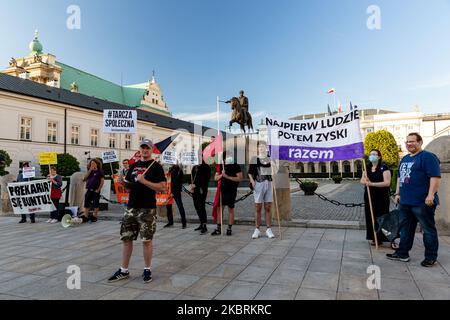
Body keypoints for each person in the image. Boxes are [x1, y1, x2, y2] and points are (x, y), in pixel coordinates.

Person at [108, 139, 166, 283]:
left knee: (146, 240)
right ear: (139, 149)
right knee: (126, 239)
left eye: (147, 148)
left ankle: (147, 270)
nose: (145, 150)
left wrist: (145, 181)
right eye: (143, 147)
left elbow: (163, 187)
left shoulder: (156, 167)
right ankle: (124, 270)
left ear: (151, 150)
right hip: (131, 207)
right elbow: (129, 187)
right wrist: (123, 182)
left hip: (147, 209)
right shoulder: (133, 166)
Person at [387, 133, 441, 267]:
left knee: (428, 230)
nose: (409, 144)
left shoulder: (428, 157)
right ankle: (402, 253)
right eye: (407, 142)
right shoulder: (404, 159)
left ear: (420, 142)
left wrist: (431, 195)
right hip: (405, 202)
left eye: (412, 141)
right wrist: (398, 193)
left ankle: (430, 257)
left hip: (422, 202)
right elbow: (400, 177)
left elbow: (435, 177)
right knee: (405, 229)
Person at [360, 149, 391, 246]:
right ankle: (374, 237)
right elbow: (362, 181)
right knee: (370, 217)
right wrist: (365, 181)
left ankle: (384, 238)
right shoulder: (367, 168)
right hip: (369, 196)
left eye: (374, 154)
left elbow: (387, 183)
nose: (371, 156)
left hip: (381, 197)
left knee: (382, 217)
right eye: (370, 154)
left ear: (379, 157)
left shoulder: (384, 168)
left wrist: (371, 184)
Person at [248, 141, 275, 239]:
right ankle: (257, 229)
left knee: (268, 207)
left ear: (266, 148)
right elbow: (250, 173)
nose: (261, 148)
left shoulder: (270, 158)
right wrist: (252, 181)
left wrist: (273, 164)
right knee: (258, 207)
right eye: (259, 146)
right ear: (258, 148)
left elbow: (273, 172)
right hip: (258, 183)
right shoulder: (254, 159)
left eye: (263, 146)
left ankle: (268, 229)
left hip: (268, 183)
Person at [212, 153, 243, 236]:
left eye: (230, 156)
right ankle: (218, 228)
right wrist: (222, 174)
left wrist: (227, 177)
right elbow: (215, 178)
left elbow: (240, 178)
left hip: (231, 191)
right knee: (219, 210)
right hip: (221, 191)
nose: (229, 158)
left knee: (230, 209)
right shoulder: (221, 166)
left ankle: (229, 228)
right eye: (227, 156)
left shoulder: (236, 166)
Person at [191, 160, 211, 234]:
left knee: (201, 207)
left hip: (202, 190)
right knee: (196, 207)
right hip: (194, 190)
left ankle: (204, 225)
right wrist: (191, 186)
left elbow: (206, 179)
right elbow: (192, 178)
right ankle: (201, 223)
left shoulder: (206, 167)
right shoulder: (194, 167)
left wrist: (197, 185)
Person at [81, 158, 104, 223]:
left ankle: (94, 216)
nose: (92, 164)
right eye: (91, 163)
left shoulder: (100, 171)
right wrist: (90, 170)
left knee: (95, 204)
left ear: (97, 164)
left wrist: (98, 189)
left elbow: (102, 181)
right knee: (86, 203)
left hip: (95, 190)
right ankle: (86, 216)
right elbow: (84, 179)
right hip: (89, 189)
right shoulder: (90, 171)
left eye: (94, 163)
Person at [165, 163, 187, 229]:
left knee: (180, 207)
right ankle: (170, 222)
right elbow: (169, 181)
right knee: (168, 207)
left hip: (176, 192)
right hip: (169, 191)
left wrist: (173, 192)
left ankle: (184, 223)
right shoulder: (171, 169)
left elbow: (177, 182)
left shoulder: (179, 170)